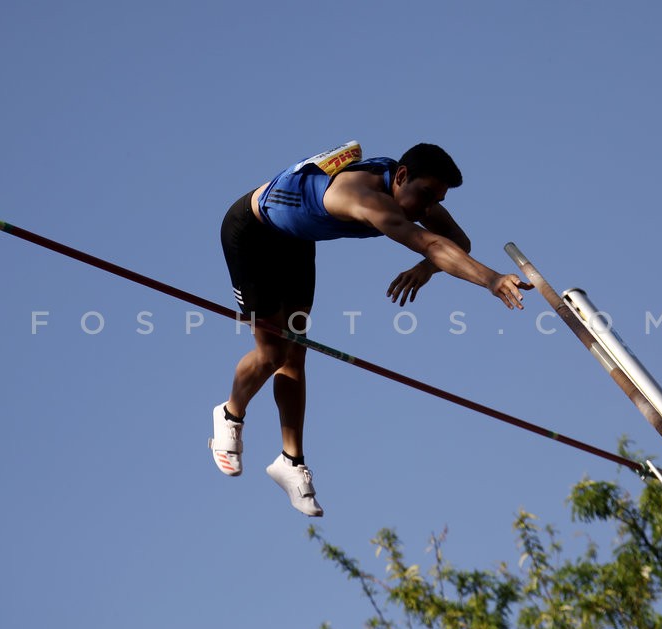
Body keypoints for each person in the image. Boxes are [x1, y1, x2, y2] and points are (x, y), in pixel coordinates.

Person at [212, 141, 533, 517]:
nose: (428, 209)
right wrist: (492, 280)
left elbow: (456, 241)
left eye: (436, 201)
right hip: (252, 236)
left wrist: (425, 268)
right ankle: (230, 415)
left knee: (295, 355)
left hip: (295, 242)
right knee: (273, 353)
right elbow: (430, 242)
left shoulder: (410, 189)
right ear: (401, 177)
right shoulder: (364, 199)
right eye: (426, 196)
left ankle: (290, 461)